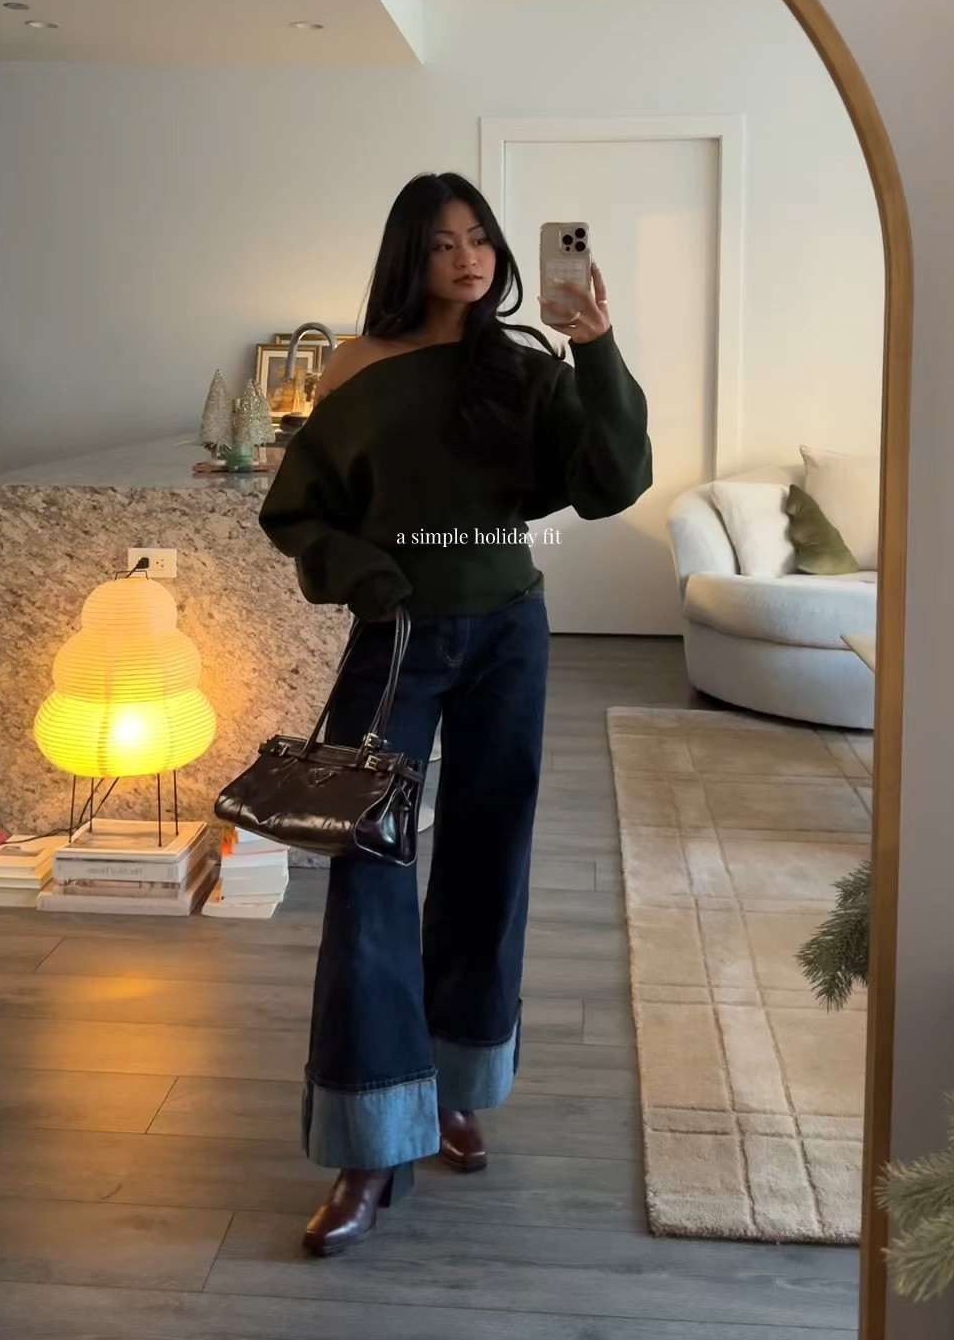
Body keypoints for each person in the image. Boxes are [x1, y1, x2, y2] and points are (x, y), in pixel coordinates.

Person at [258, 170, 652, 1256]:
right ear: (410, 257)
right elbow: (297, 511)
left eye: (480, 238)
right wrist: (366, 575)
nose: (468, 258)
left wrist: (597, 348)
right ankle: (369, 1140)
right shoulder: (358, 366)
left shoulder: (525, 366)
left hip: (509, 635)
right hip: (397, 640)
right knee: (367, 865)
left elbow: (613, 480)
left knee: (489, 854)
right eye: (442, 244)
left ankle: (451, 1087)